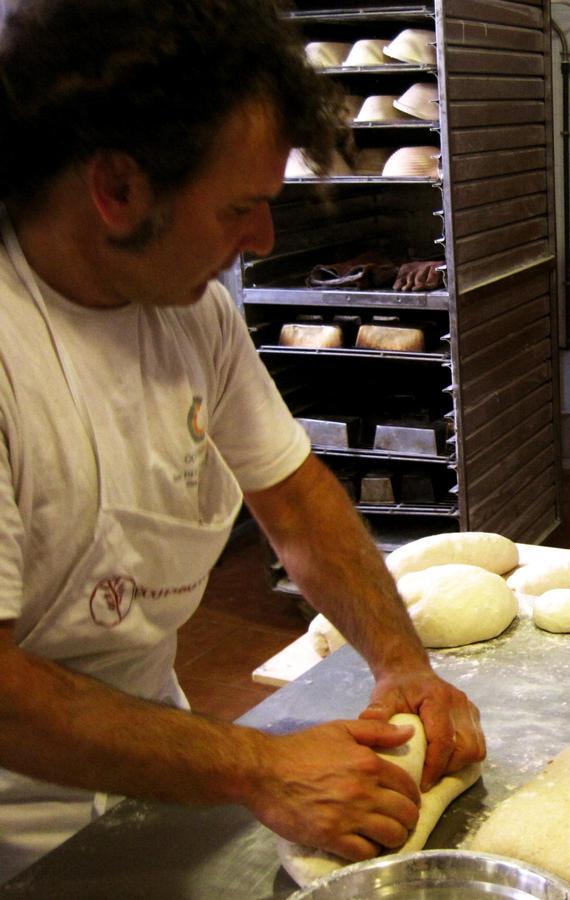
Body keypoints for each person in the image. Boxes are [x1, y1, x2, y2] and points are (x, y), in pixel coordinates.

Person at [0, 0, 485, 881]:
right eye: (240, 208)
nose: (260, 239)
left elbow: (295, 499)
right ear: (117, 189)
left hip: (148, 761)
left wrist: (400, 663)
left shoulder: (193, 315)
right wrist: (260, 767)